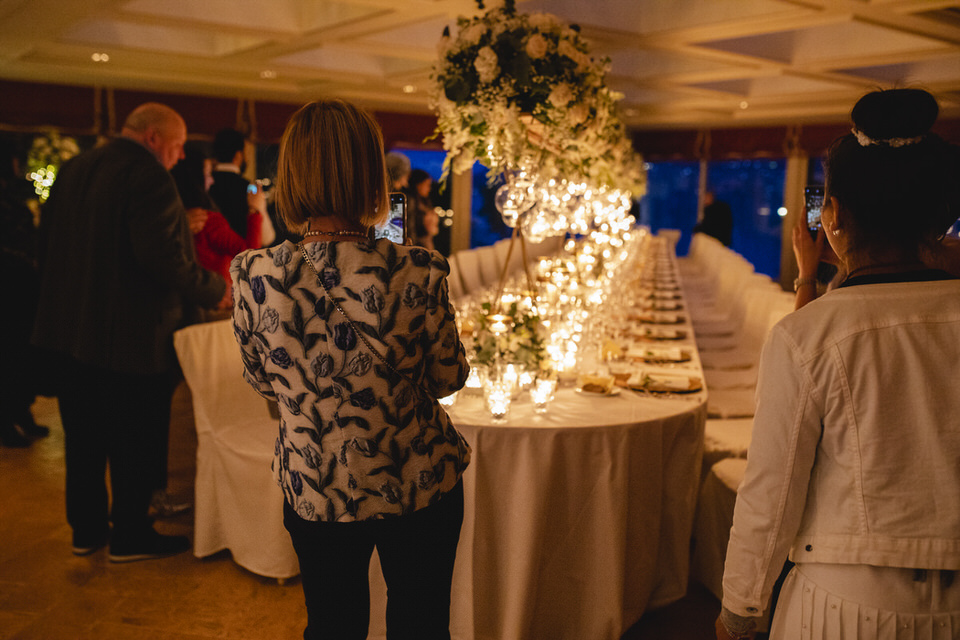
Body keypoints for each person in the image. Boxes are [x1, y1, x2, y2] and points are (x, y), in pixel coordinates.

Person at [717, 88, 960, 640]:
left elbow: (772, 492)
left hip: (845, 606)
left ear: (831, 215)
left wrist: (741, 607)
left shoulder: (810, 335)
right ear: (943, 218)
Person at [231, 98, 470, 640]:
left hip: (315, 481)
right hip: (418, 477)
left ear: (289, 175)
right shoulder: (417, 269)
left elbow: (260, 380)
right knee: (421, 624)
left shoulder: (254, 274)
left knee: (332, 625)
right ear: (371, 175)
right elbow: (449, 379)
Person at [31, 102, 226, 561]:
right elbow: (161, 260)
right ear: (154, 137)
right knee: (135, 438)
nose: (179, 157)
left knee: (83, 438)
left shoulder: (75, 167)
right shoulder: (149, 176)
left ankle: (87, 531)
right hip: (130, 337)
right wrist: (215, 289)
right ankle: (130, 535)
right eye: (177, 146)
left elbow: (50, 246)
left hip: (69, 332)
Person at [171, 143, 263, 312]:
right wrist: (255, 210)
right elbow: (249, 256)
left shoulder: (172, 218)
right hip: (215, 303)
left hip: (182, 305)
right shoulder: (206, 220)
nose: (212, 179)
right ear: (195, 179)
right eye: (207, 174)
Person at [0, 138, 50, 447]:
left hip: (20, 286)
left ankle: (20, 413)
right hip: (10, 286)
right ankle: (8, 419)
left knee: (19, 353)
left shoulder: (14, 193)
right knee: (9, 354)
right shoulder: (10, 199)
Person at [406, 168, 440, 250]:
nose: (429, 189)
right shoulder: (412, 203)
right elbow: (412, 229)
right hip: (418, 247)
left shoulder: (424, 202)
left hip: (426, 245)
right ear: (418, 184)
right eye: (427, 185)